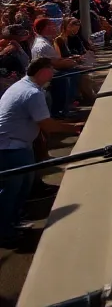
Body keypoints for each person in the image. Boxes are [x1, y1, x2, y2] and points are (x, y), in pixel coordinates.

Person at [0, 58, 83, 246]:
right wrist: (74, 127)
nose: (53, 73)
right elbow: (47, 124)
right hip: (10, 147)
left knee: (23, 186)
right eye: (50, 69)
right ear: (43, 71)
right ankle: (5, 232)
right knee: (11, 190)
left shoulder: (21, 85)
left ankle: (14, 221)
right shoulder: (32, 93)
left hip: (19, 144)